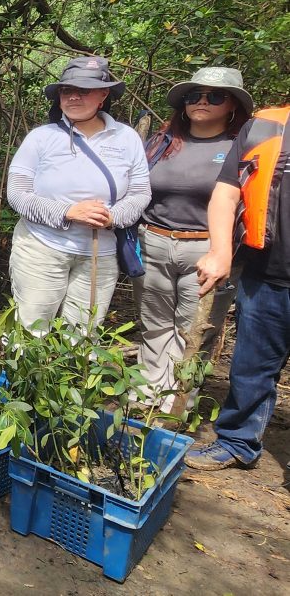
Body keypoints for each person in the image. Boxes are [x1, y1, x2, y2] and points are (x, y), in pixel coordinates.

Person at [136, 67, 252, 412]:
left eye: (214, 96)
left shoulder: (241, 147)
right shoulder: (164, 141)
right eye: (194, 96)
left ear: (232, 105)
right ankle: (147, 395)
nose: (202, 102)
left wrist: (226, 251)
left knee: (195, 330)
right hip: (154, 240)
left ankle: (179, 404)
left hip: (207, 249)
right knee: (154, 323)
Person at [7, 56, 150, 334]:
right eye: (66, 90)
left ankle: (74, 378)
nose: (73, 97)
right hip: (41, 247)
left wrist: (113, 217)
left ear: (103, 94)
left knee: (83, 333)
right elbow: (17, 193)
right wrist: (67, 212)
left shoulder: (126, 137)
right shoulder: (41, 137)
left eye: (83, 91)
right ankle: (28, 378)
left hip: (100, 252)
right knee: (31, 329)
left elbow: (140, 191)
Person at [186, 104, 290, 471]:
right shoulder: (264, 126)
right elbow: (227, 193)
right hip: (268, 273)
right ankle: (237, 441)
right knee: (251, 367)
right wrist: (220, 250)